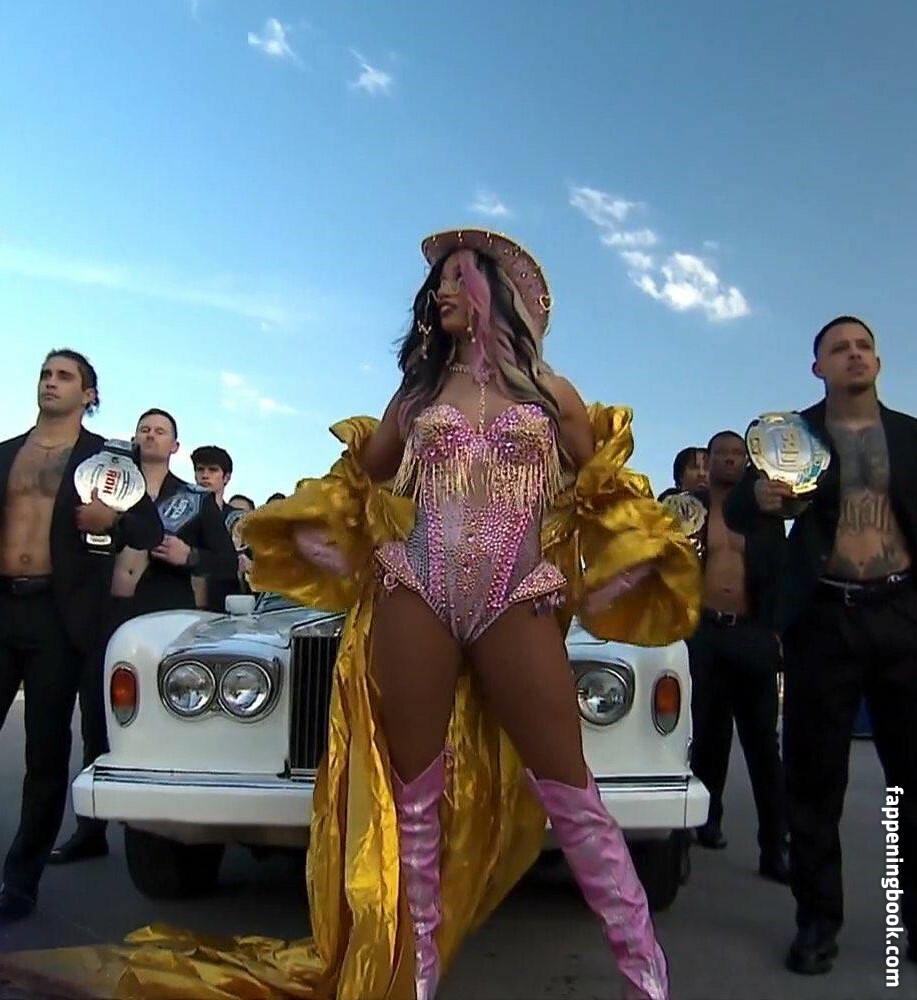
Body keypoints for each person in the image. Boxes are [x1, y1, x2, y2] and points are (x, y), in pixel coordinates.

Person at [0, 231, 700, 999]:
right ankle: (413, 973)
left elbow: (604, 488)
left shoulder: (551, 395)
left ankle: (644, 973)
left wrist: (609, 564)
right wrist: (325, 531)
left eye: (453, 277)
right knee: (413, 802)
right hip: (416, 591)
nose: (438, 291)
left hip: (515, 596)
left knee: (571, 792)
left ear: (494, 291)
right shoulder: (416, 397)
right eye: (435, 282)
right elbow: (358, 481)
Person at [725, 316, 917, 974]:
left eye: (864, 345)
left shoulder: (908, 436)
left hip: (900, 613)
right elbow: (736, 512)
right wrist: (758, 495)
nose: (854, 354)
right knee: (813, 781)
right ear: (818, 368)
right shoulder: (791, 436)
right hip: (823, 619)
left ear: (877, 361)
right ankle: (816, 923)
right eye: (840, 348)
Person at [0, 350, 162, 919]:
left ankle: (20, 882)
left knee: (46, 752)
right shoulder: (7, 453)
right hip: (3, 604)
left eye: (64, 376)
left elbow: (149, 528)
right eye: (46, 374)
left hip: (58, 615)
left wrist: (112, 519)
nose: (51, 383)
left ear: (88, 395)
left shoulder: (105, 460)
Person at [50, 410, 237, 864]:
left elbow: (227, 563)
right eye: (144, 429)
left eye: (161, 431)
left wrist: (190, 555)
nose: (151, 435)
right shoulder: (103, 484)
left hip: (162, 620)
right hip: (105, 612)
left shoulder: (194, 500)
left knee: (164, 721)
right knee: (97, 718)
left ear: (175, 446)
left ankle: (166, 831)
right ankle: (90, 829)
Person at [685, 431, 788, 882]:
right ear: (708, 461)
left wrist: (776, 634)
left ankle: (774, 848)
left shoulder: (766, 516)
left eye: (736, 454)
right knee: (698, 738)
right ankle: (700, 826)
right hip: (703, 632)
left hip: (750, 633)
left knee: (763, 745)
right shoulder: (691, 508)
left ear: (748, 461)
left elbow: (781, 573)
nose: (729, 461)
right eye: (721, 454)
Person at [190, 444, 243, 611]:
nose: (205, 475)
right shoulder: (183, 514)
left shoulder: (238, 520)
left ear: (226, 477)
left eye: (212, 470)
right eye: (200, 469)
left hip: (228, 602)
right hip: (187, 601)